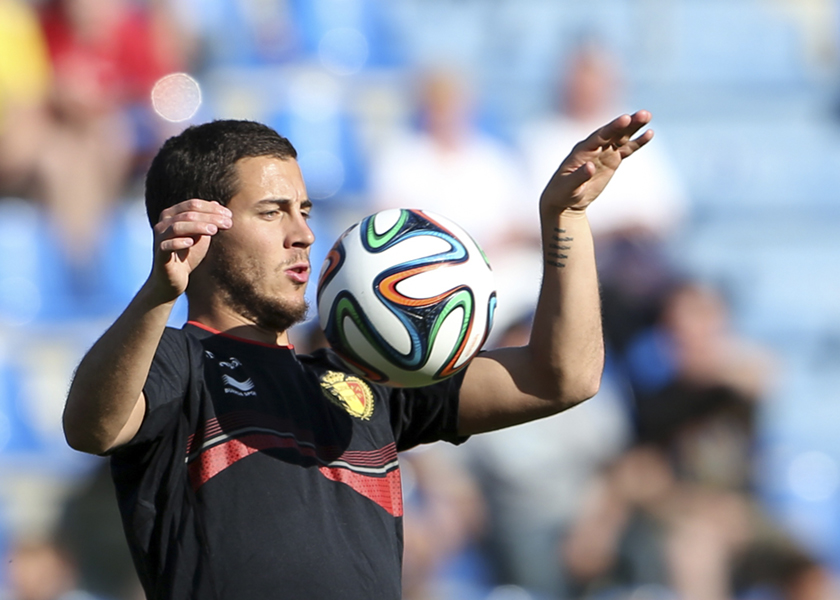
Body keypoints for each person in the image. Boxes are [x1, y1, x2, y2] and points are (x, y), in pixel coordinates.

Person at [61, 112, 653, 599]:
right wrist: (157, 294)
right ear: (204, 229)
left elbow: (563, 377)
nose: (304, 234)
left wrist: (566, 218)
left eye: (306, 211)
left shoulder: (368, 376)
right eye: (273, 212)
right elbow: (93, 426)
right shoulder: (178, 361)